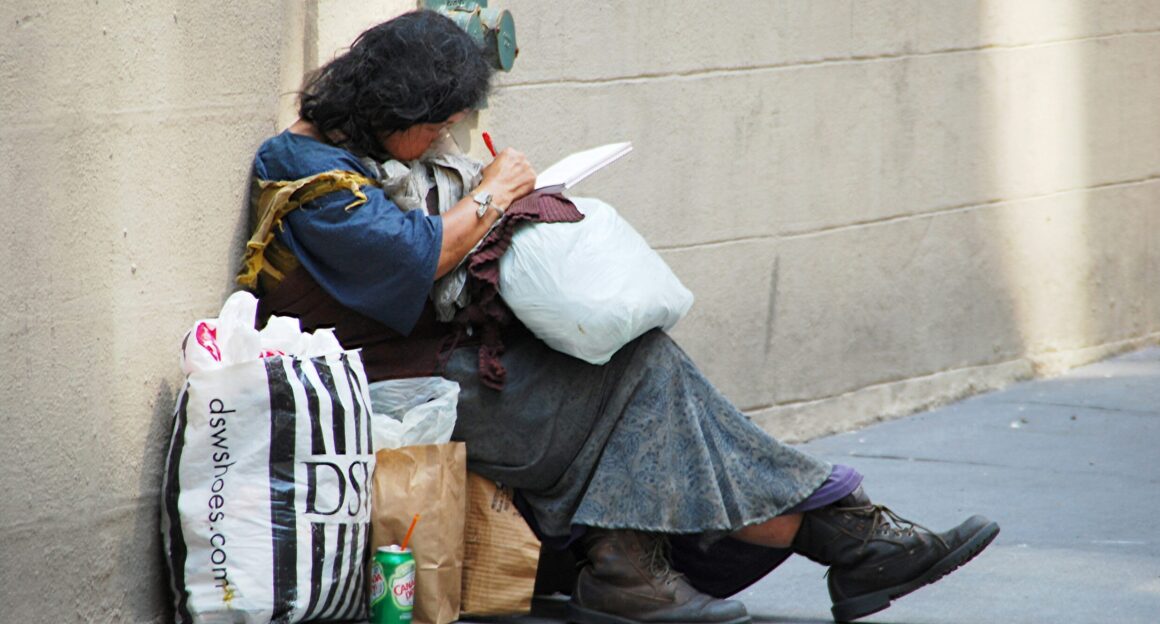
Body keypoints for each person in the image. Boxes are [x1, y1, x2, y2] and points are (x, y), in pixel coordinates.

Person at [239, 11, 998, 624]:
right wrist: (496, 192)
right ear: (390, 109)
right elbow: (407, 257)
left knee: (640, 365)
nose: (441, 139)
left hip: (438, 363)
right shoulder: (299, 164)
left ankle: (643, 568)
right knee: (639, 376)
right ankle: (840, 534)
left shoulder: (364, 155)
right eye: (434, 124)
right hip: (393, 391)